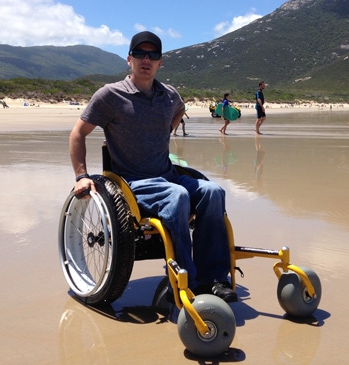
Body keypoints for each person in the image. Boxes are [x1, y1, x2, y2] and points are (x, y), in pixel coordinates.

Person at [69, 31, 237, 303]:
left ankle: (214, 278)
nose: (146, 60)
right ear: (129, 59)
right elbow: (77, 133)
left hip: (167, 174)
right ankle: (186, 281)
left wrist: (166, 131)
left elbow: (180, 109)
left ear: (160, 62)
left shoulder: (169, 95)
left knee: (213, 192)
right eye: (140, 54)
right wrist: (82, 176)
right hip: (133, 182)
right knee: (178, 196)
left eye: (153, 55)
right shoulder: (110, 95)